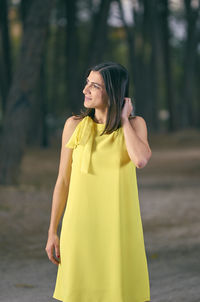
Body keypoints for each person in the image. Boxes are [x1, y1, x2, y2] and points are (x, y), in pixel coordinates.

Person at [45, 61, 152, 302]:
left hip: (119, 227)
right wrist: (53, 231)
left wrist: (124, 120)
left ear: (114, 92)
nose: (86, 90)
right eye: (87, 83)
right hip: (79, 227)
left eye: (95, 85)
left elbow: (141, 160)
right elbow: (62, 180)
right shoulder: (74, 126)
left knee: (121, 293)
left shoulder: (135, 125)